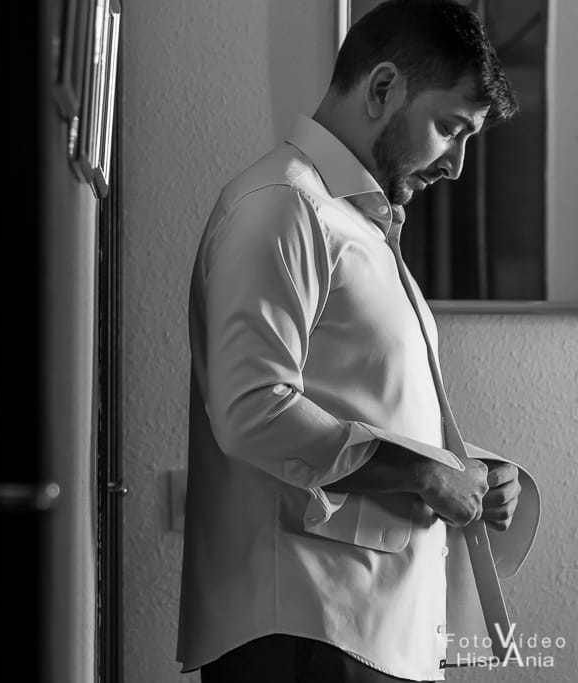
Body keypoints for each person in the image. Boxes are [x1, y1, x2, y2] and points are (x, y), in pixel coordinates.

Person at [176, 1, 541, 681]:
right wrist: (426, 474)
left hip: (362, 629)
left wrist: (469, 471)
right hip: (308, 631)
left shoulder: (353, 225)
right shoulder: (283, 207)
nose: (457, 166)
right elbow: (253, 409)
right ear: (382, 88)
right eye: (449, 128)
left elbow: (364, 402)